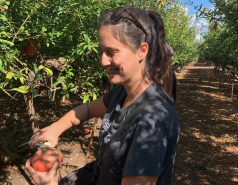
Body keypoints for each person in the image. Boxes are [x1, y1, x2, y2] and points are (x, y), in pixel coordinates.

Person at [25, 7, 180, 185]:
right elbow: (88, 109)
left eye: (111, 52)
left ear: (142, 50)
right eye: (101, 51)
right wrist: (55, 128)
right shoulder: (123, 92)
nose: (103, 61)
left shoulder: (152, 123)